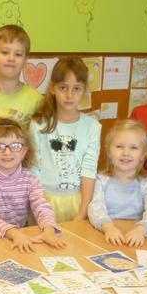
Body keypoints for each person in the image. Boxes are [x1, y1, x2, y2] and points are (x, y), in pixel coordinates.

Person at [0, 118, 65, 253]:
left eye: (15, 146)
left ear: (24, 151)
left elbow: (41, 206)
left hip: (21, 237)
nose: (7, 152)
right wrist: (15, 234)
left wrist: (49, 230)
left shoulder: (30, 178)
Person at [30, 56, 101, 222]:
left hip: (78, 202)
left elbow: (89, 170)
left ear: (84, 90)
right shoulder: (39, 124)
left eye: (76, 88)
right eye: (63, 87)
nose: (69, 95)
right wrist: (39, 206)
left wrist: (83, 212)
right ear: (52, 88)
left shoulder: (92, 126)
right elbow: (33, 168)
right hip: (43, 201)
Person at [88, 119, 147, 247]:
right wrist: (108, 228)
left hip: (137, 240)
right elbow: (95, 208)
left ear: (143, 154)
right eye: (119, 146)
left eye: (133, 147)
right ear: (109, 152)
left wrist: (141, 230)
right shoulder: (100, 181)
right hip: (106, 236)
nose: (126, 153)